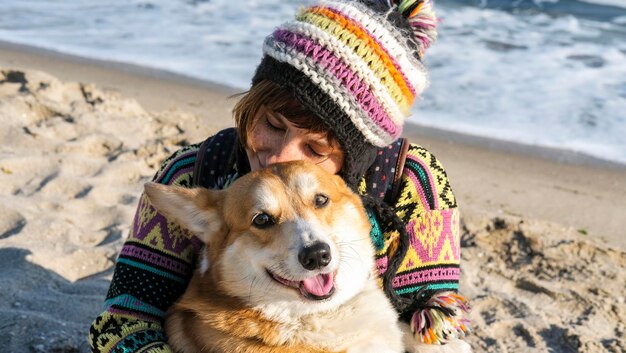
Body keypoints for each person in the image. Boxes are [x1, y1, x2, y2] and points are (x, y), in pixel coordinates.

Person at [89, 0, 471, 352]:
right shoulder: (192, 172)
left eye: (315, 149)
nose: (278, 156)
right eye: (272, 123)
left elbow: (435, 320)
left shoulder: (411, 180)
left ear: (355, 158)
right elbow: (124, 318)